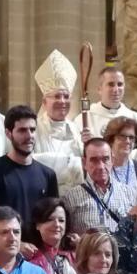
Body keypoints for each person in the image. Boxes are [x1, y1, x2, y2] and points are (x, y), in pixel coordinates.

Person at [0, 105, 59, 229]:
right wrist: (16, 242)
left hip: (38, 247)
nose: (29, 135)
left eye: (32, 130)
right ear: (9, 134)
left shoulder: (48, 175)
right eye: (22, 130)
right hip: (5, 246)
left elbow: (52, 216)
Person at [30, 49, 84, 189]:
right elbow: (30, 162)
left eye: (66, 96)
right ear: (44, 102)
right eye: (56, 96)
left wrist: (87, 146)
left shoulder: (77, 129)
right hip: (45, 194)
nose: (62, 101)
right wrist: (72, 162)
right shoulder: (33, 129)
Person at [62, 138, 137, 236]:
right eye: (94, 160)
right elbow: (66, 237)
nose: (101, 166)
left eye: (105, 159)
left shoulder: (129, 194)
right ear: (84, 163)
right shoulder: (71, 198)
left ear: (112, 160)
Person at [25, 197, 77, 274]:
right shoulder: (28, 257)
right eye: (50, 219)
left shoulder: (74, 254)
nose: (57, 224)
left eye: (61, 220)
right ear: (37, 225)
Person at [81, 67, 137, 146]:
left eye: (120, 84)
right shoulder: (85, 118)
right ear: (99, 89)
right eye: (111, 84)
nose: (116, 89)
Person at [106, 115, 137, 190]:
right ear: (111, 139)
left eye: (131, 137)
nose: (127, 141)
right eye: (122, 136)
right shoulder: (103, 169)